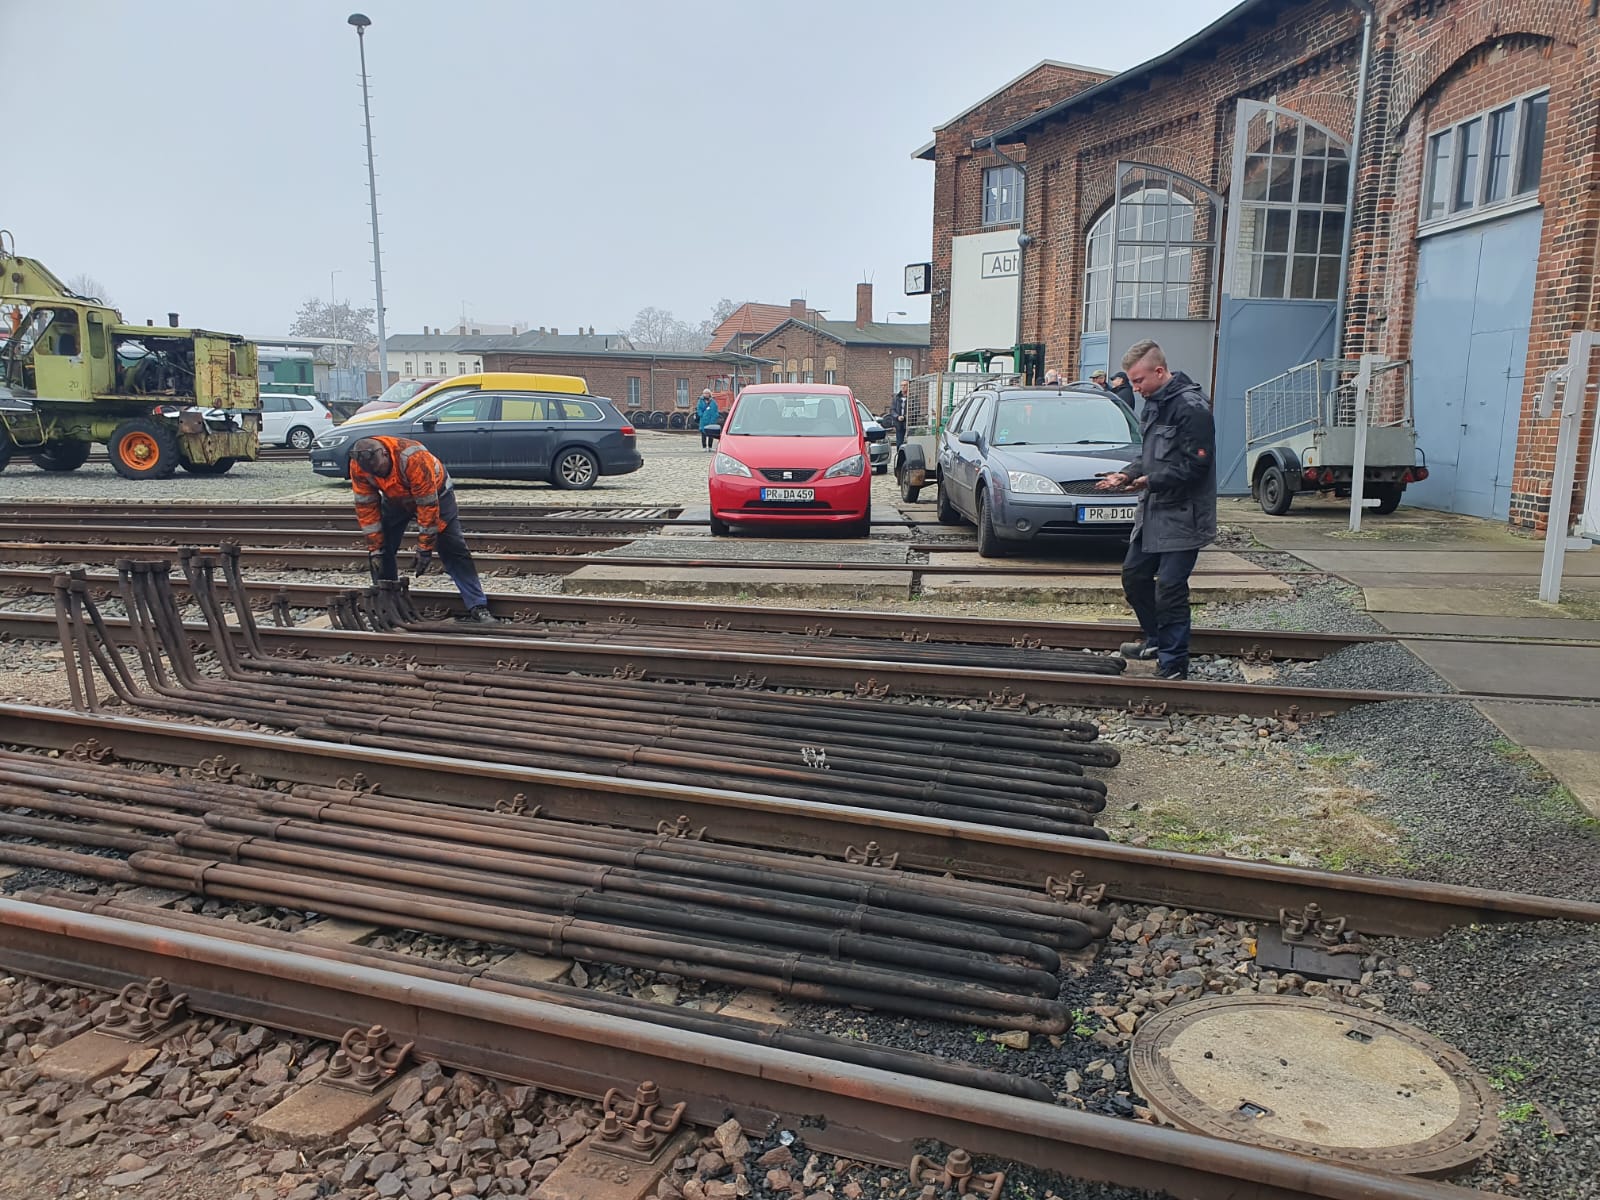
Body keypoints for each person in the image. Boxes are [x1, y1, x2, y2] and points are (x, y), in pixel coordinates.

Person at [1094, 340, 1216, 681]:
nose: (1134, 388)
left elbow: (1196, 467)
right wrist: (1127, 474)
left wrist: (1149, 480)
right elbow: (1148, 456)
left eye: (1138, 381)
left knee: (1171, 588)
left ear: (1159, 372)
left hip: (1185, 515)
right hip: (1153, 511)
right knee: (1134, 577)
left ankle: (1174, 663)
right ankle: (1157, 640)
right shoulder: (1153, 405)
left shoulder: (1192, 408)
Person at [349, 435, 496, 624]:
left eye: (379, 469)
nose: (377, 474)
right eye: (373, 473)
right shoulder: (359, 465)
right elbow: (366, 507)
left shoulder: (413, 458)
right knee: (381, 551)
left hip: (436, 496)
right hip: (395, 498)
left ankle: (477, 605)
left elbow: (427, 507)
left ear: (384, 454)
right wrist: (376, 548)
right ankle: (387, 605)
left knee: (453, 549)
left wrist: (425, 549)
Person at [888, 381, 908, 447]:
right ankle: (899, 452)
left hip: (909, 422)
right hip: (899, 423)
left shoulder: (912, 397)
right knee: (899, 442)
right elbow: (892, 410)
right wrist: (897, 416)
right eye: (902, 385)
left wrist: (905, 417)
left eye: (905, 385)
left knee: (910, 441)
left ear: (908, 386)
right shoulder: (896, 397)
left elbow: (915, 410)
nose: (903, 387)